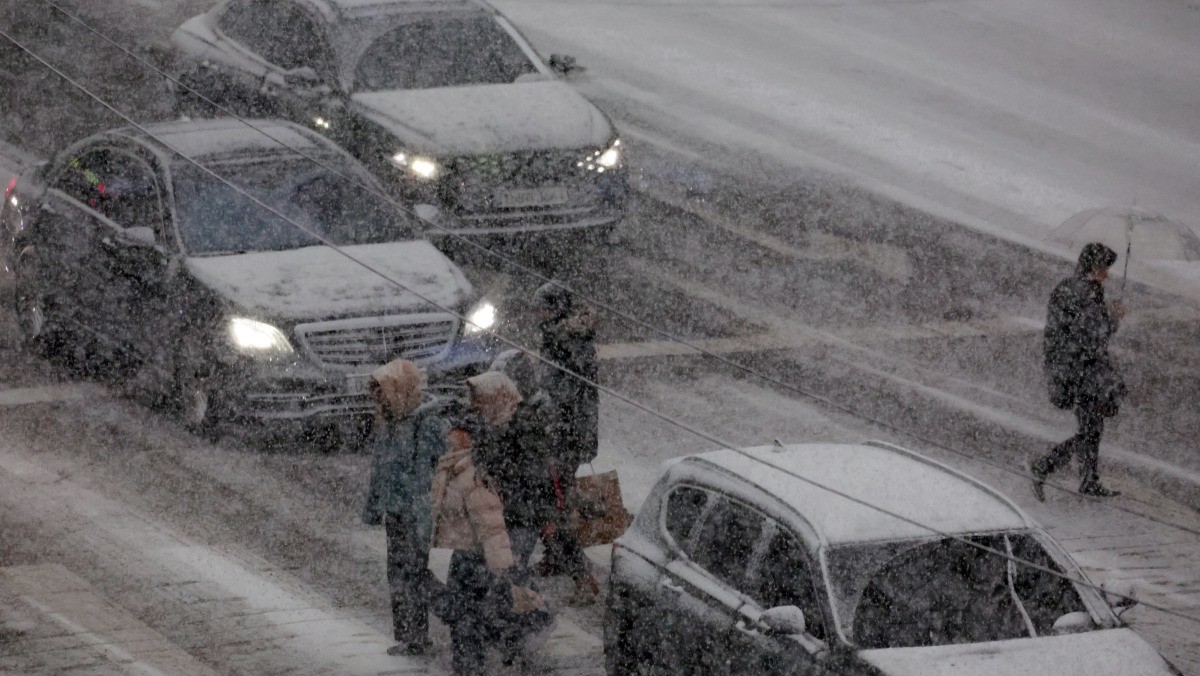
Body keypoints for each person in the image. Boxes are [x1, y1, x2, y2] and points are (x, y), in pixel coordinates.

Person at [431, 372, 550, 674]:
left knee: (505, 586)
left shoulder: (518, 429)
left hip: (514, 521)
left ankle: (518, 634)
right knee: (494, 593)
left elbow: (534, 477)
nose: (477, 407)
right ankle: (506, 642)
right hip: (489, 528)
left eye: (481, 400)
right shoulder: (482, 436)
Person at [360, 359, 449, 656]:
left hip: (417, 513)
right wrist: (375, 508)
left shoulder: (428, 424)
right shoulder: (390, 425)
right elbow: (380, 471)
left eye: (383, 393)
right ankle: (412, 636)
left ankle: (456, 613)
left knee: (412, 574)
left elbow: (435, 470)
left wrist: (425, 508)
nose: (379, 401)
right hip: (396, 513)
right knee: (398, 575)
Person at [1031, 242, 1128, 500]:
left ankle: (1088, 479)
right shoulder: (1084, 292)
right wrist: (1113, 318)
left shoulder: (1072, 287)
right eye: (1104, 268)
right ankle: (1045, 465)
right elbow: (1092, 335)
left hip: (1070, 368)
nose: (1107, 275)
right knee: (1090, 428)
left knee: (1091, 425)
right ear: (1094, 268)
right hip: (1079, 372)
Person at [531, 283, 602, 605]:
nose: (538, 315)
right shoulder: (557, 335)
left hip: (565, 435)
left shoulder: (571, 341)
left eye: (543, 308)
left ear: (557, 308)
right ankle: (555, 555)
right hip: (562, 433)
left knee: (555, 502)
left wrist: (549, 418)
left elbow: (570, 392)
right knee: (550, 499)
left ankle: (579, 572)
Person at [487, 349, 561, 574]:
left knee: (511, 574)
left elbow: (542, 473)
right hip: (506, 512)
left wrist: (547, 516)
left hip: (521, 514)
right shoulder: (503, 416)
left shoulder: (530, 419)